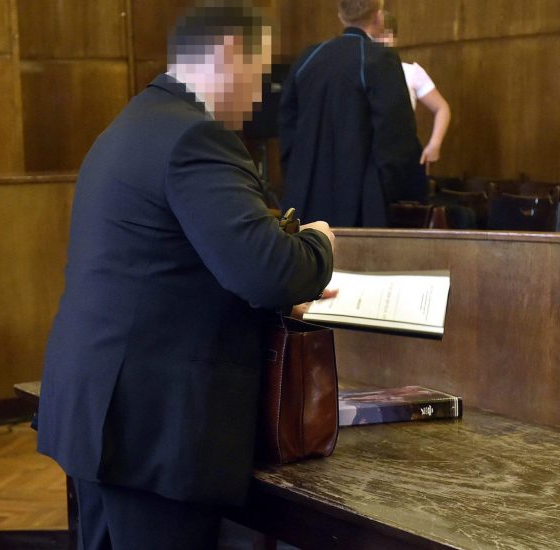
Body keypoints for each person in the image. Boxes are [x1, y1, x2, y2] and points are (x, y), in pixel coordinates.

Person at [35, 3, 335, 549]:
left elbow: (177, 262)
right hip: (151, 424)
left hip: (103, 410)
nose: (258, 95)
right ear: (228, 53)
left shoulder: (130, 124)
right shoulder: (196, 137)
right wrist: (319, 244)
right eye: (259, 74)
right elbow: (269, 272)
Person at [279, 0, 424, 228]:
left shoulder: (308, 58)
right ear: (378, 17)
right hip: (361, 198)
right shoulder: (380, 59)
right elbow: (396, 136)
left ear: (340, 15)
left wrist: (297, 174)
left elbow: (287, 125)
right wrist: (387, 189)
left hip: (305, 193)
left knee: (307, 250)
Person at [376, 10, 451, 171]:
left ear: (394, 38)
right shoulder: (359, 72)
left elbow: (442, 108)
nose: (381, 40)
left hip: (401, 152)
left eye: (386, 34)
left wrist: (435, 144)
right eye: (377, 35)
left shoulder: (410, 71)